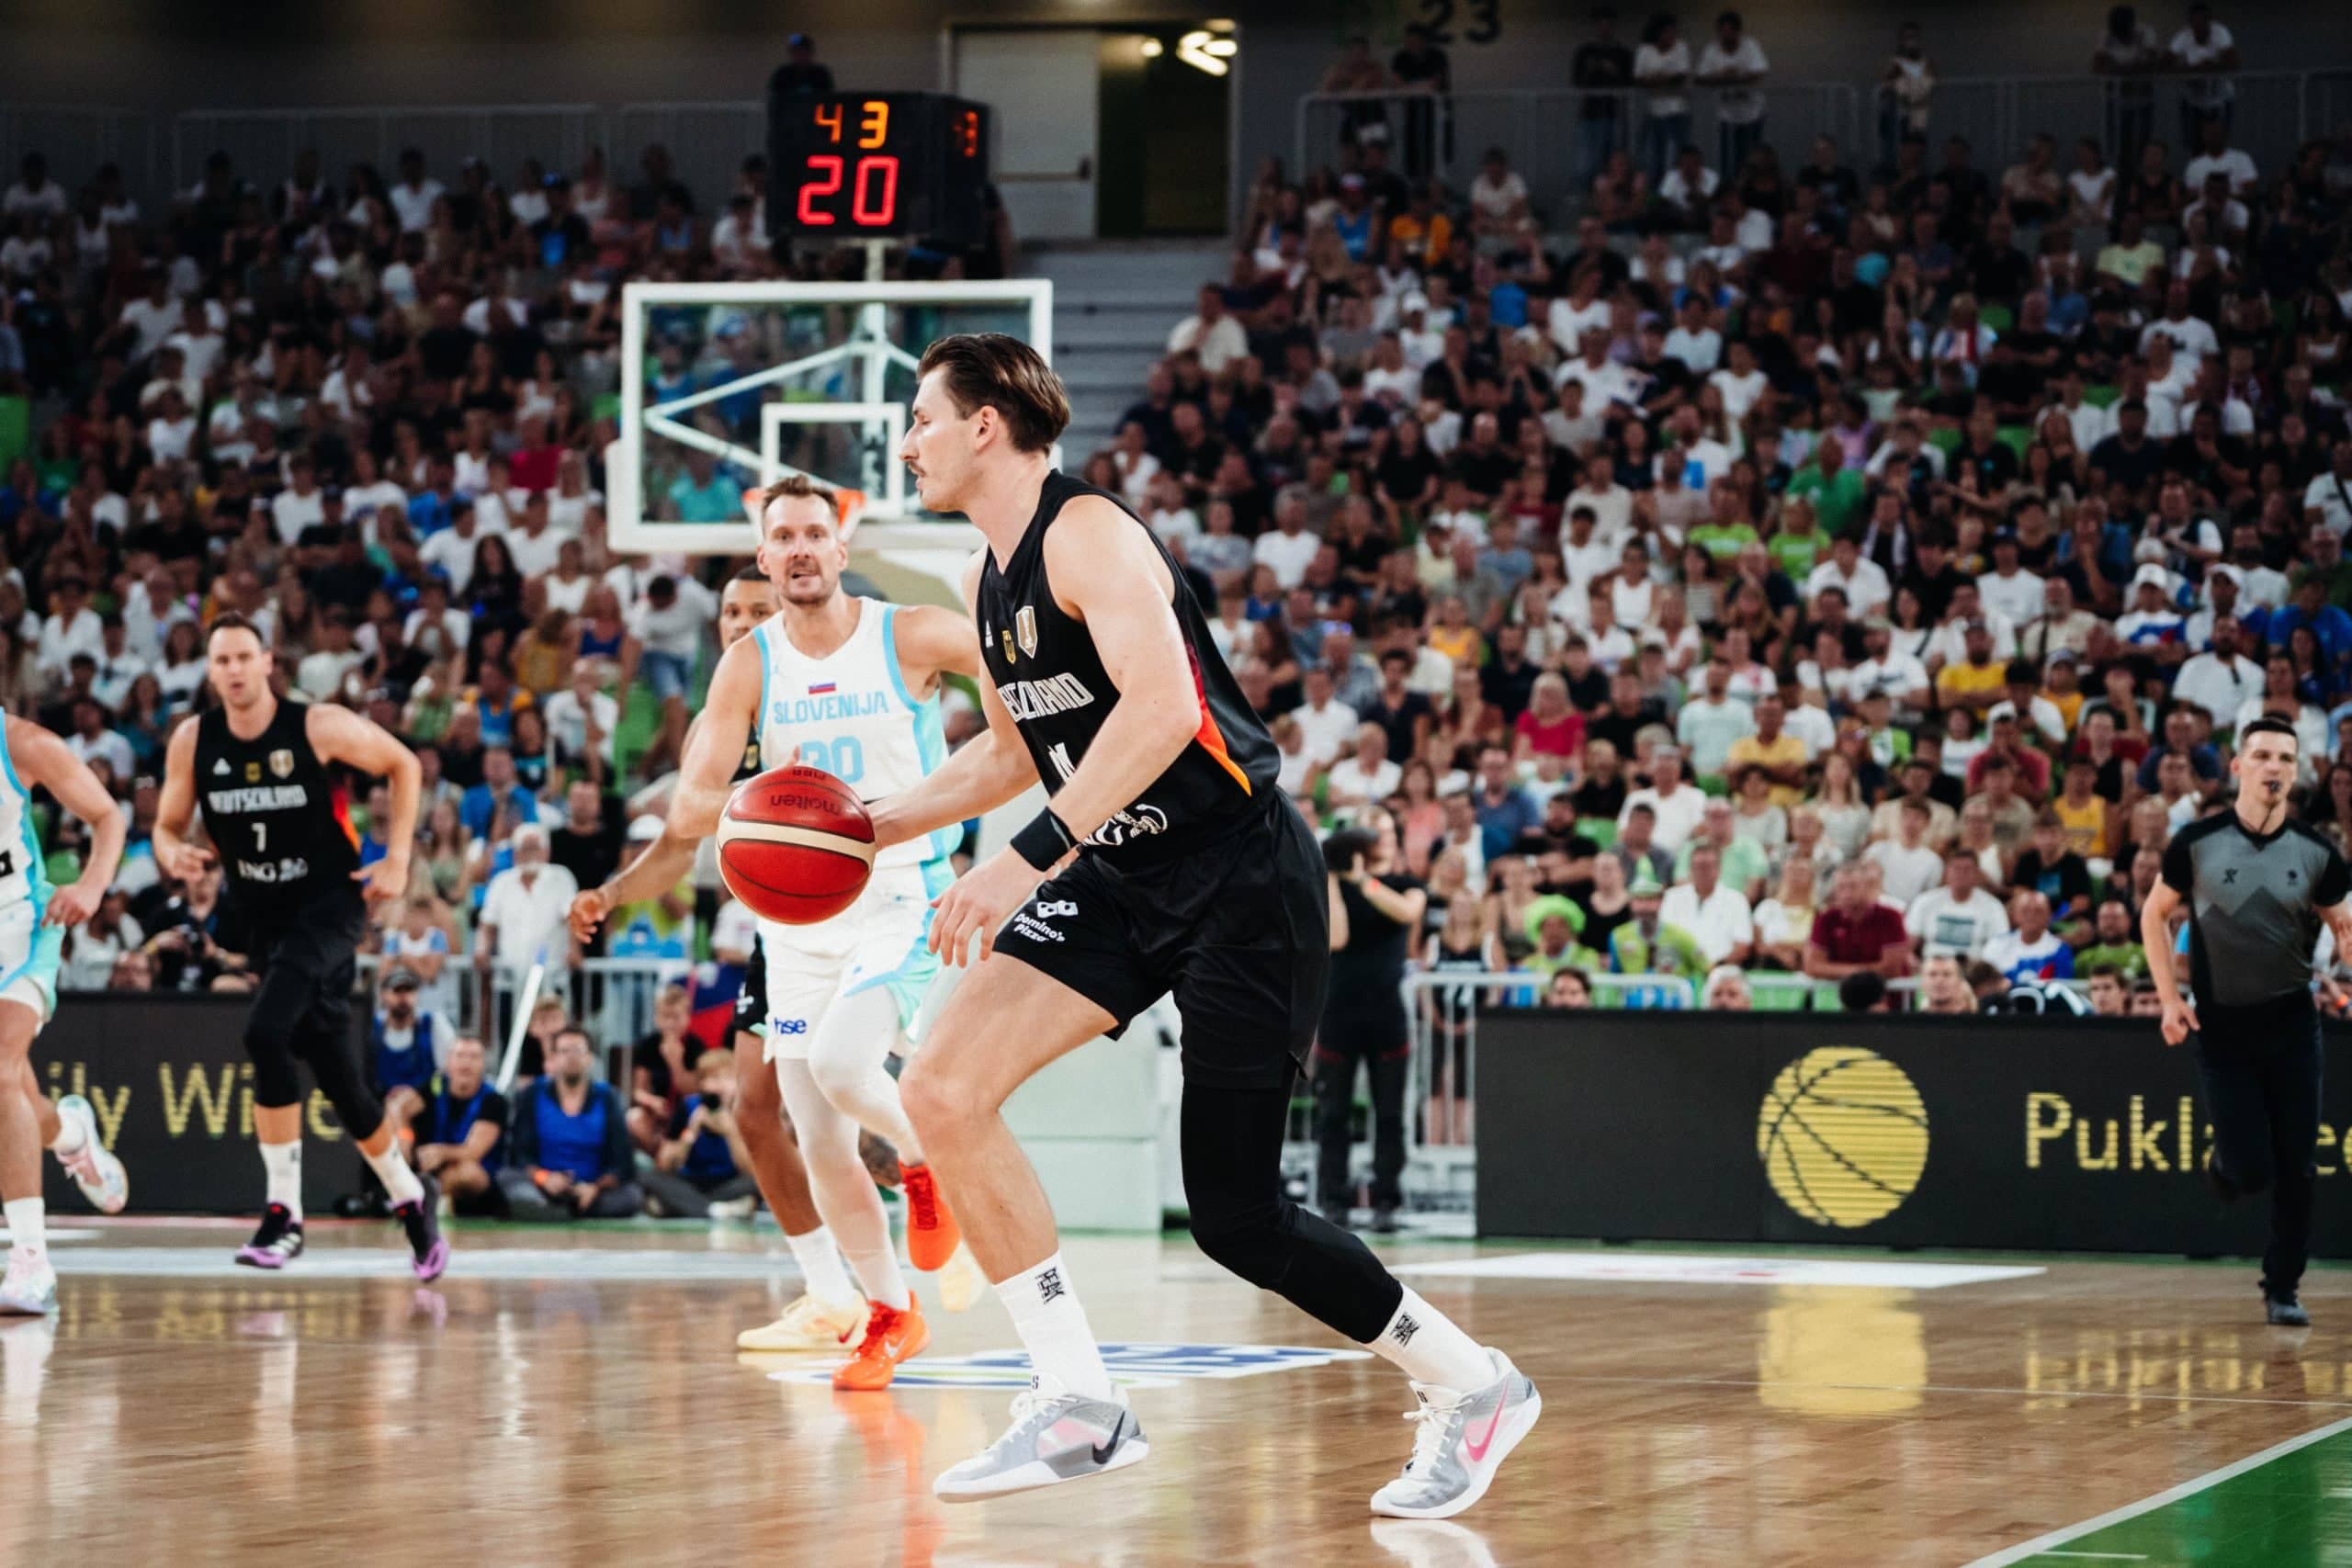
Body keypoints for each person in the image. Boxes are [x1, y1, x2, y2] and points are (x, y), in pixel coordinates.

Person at [859, 335, 1536, 1514]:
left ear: (983, 426)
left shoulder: (1091, 534)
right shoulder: (985, 580)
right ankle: (1076, 1399)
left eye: (921, 417)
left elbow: (1166, 711)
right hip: (1123, 880)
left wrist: (1024, 860)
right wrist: (875, 822)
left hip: (1238, 878)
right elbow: (1017, 750)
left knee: (1237, 1218)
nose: (906, 440)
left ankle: (1472, 1385)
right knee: (942, 1086)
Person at [573, 475, 984, 1392]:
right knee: (818, 1136)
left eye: (813, 534)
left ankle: (924, 1163)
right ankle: (887, 1313)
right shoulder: (749, 661)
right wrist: (764, 810)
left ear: (840, 549)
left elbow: (1015, 684)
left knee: (845, 1071)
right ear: (764, 556)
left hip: (898, 896)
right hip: (797, 922)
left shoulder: (907, 632)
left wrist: (959, 798)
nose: (798, 549)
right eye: (781, 537)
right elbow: (687, 801)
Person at [575, 565, 888, 1351]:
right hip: (781, 933)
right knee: (756, 1108)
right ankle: (831, 1292)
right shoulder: (716, 723)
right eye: (729, 611)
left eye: (759, 608)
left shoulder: (811, 691)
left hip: (869, 917)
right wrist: (612, 894)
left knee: (851, 1103)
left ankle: (909, 1234)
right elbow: (678, 846)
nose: (741, 621)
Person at [153, 616, 446, 1280]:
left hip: (329, 906)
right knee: (336, 1071)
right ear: (210, 669)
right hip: (262, 913)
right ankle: (409, 1195)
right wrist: (175, 854)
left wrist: (398, 857)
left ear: (266, 662)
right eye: (220, 659)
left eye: (243, 657)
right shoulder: (194, 740)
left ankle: (283, 1213)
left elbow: (402, 762)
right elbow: (167, 826)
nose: (232, 669)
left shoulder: (317, 725)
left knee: (265, 1031)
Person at [2144, 716, 2352, 1327]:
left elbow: (2344, 926)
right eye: (2262, 754)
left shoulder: (2317, 853)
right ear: (2237, 766)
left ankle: (2282, 1286)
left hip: (2293, 1025)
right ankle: (2227, 1165)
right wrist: (2168, 998)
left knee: (2298, 1168)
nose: (2274, 767)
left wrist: (2345, 947)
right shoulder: (2197, 842)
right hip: (2223, 1029)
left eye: (2286, 758)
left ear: (2296, 771)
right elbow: (2155, 916)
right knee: (2251, 1168)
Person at [0, 713, 131, 1314]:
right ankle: (74, 1134)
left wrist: (91, 885)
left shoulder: (21, 742)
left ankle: (31, 1260)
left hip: (23, 926)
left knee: (0, 1070)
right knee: (17, 1097)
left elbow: (109, 815)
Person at [1316, 811, 1426, 1235]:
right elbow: (1336, 938)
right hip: (1340, 1011)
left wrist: (1362, 881)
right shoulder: (1335, 885)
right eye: (1369, 833)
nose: (1377, 839)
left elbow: (1405, 913)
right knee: (1333, 1114)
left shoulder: (1406, 884)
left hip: (1386, 1014)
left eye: (1383, 832)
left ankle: (1386, 1198)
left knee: (1391, 1113)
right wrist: (1332, 876)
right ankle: (1334, 1199)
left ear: (1395, 841)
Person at [498, 1025, 644, 1219]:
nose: (571, 1057)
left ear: (590, 1058)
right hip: (542, 1184)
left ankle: (555, 1212)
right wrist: (544, 1178)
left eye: (578, 1051)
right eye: (564, 1051)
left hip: (592, 1188)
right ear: (553, 1058)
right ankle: (550, 1208)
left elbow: (621, 1161)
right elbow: (519, 1154)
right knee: (506, 1179)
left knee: (631, 1197)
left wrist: (594, 1187)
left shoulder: (608, 1097)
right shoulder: (532, 1094)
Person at [412, 1034, 509, 1216]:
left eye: (474, 1057)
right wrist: (403, 1136)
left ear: (483, 1064)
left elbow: (473, 1152)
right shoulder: (433, 1087)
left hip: (476, 1180)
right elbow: (398, 1107)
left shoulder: (494, 1100)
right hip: (431, 1168)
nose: (466, 1064)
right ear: (449, 1061)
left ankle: (426, 1199)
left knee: (468, 1173)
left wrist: (440, 1152)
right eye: (460, 1056)